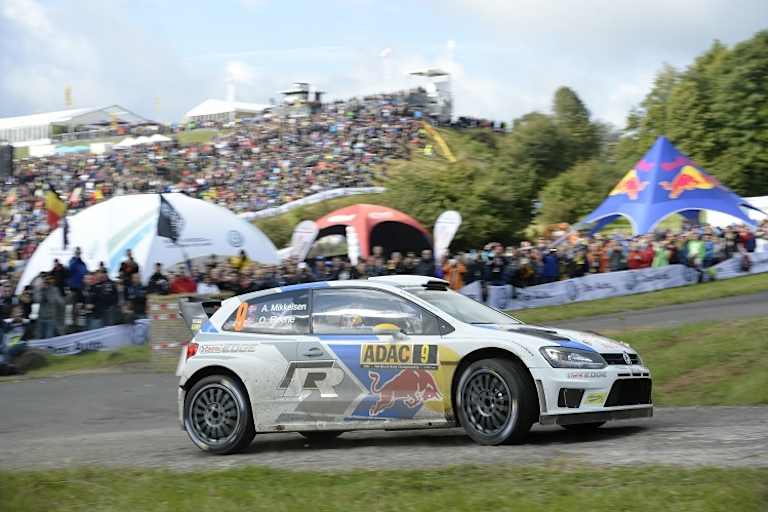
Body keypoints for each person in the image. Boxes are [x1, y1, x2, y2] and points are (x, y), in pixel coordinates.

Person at [35, 273, 64, 338]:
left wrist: (48, 291)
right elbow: (37, 300)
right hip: (41, 318)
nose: (47, 281)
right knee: (39, 337)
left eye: (49, 279)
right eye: (45, 280)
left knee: (49, 337)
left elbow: (59, 302)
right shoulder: (39, 289)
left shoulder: (54, 290)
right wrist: (40, 290)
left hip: (51, 318)